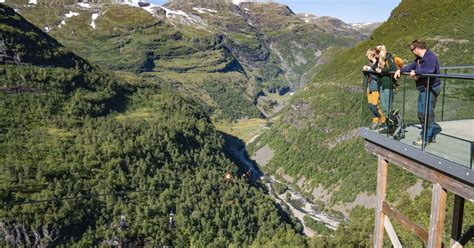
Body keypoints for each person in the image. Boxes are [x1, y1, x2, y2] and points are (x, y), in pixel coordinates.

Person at [394, 39, 442, 146]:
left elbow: (430, 70)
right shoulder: (419, 59)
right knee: (421, 112)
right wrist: (400, 71)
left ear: (416, 48)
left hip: (431, 88)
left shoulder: (430, 57)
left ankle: (426, 138)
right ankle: (429, 135)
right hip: (424, 89)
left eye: (412, 49)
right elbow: (411, 66)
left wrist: (416, 72)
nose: (412, 51)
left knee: (427, 113)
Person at [363, 48, 385, 129]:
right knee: (370, 105)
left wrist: (370, 70)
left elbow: (377, 77)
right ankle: (375, 120)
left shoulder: (378, 64)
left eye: (369, 55)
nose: (367, 57)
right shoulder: (370, 63)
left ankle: (383, 120)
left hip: (375, 88)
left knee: (375, 106)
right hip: (370, 87)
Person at [375, 45, 397, 121]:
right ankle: (389, 123)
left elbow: (394, 68)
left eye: (378, 51)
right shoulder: (379, 60)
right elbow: (375, 68)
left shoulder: (389, 58)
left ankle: (394, 121)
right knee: (384, 106)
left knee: (388, 106)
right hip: (382, 85)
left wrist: (382, 70)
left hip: (389, 85)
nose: (377, 53)